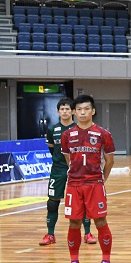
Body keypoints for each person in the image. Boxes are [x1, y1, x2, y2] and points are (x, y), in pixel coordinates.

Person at [60, 94, 115, 263]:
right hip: (74, 185)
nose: (83, 113)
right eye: (79, 109)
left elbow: (109, 161)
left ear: (93, 111)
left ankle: (106, 261)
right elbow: (68, 160)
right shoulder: (67, 135)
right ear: (74, 112)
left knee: (100, 221)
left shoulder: (103, 134)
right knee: (74, 222)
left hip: (94, 184)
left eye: (86, 109)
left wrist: (101, 179)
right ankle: (74, 262)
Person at [40, 97, 92, 247]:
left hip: (77, 169)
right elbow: (52, 149)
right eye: (62, 109)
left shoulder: (79, 128)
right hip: (58, 169)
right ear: (58, 112)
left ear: (73, 111)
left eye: (67, 109)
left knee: (82, 201)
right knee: (52, 202)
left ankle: (87, 233)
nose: (64, 112)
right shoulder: (52, 129)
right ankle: (50, 234)